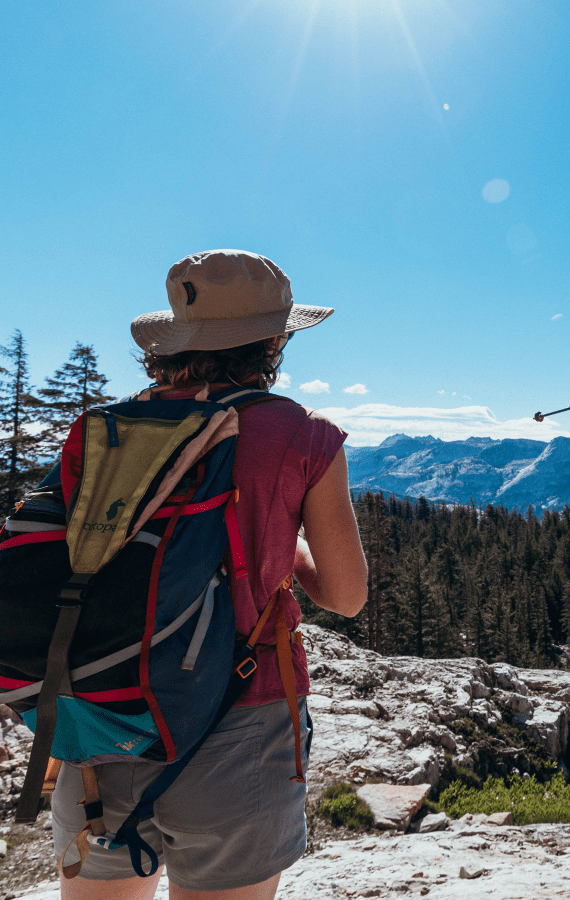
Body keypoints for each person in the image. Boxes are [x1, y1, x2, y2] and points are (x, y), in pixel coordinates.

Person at [51, 249, 369, 900]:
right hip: (241, 718)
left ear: (173, 338)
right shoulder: (303, 436)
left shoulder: (104, 430)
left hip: (102, 714)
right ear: (274, 340)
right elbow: (346, 594)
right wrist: (288, 547)